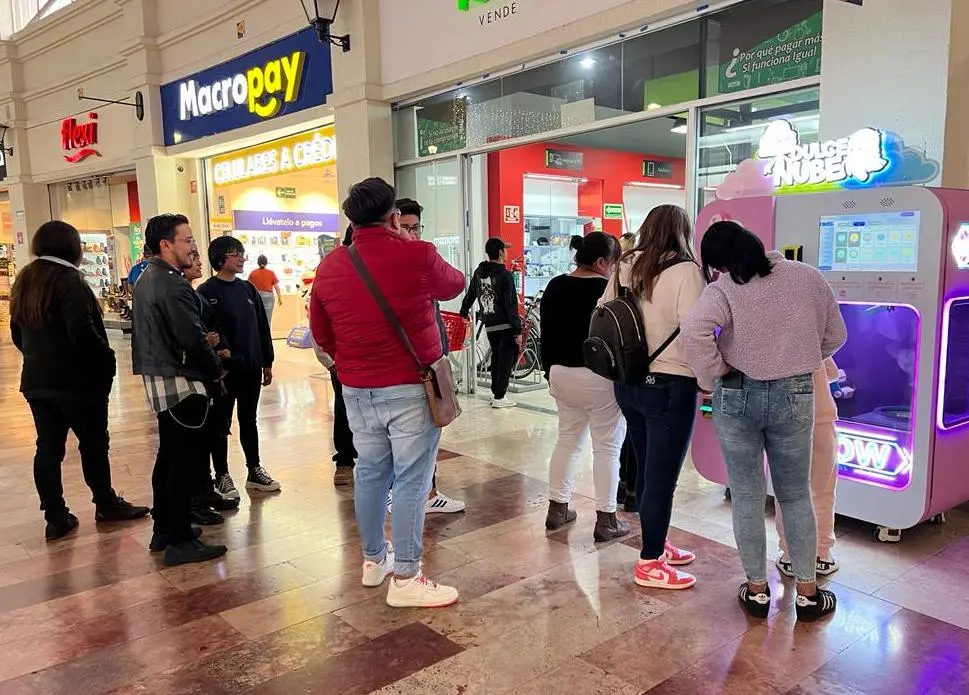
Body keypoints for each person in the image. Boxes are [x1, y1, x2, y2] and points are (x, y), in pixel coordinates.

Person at [310, 177, 465, 608]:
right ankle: (407, 576)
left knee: (371, 473)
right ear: (393, 215)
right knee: (413, 481)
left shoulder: (331, 265)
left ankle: (374, 560)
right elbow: (455, 284)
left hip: (357, 389)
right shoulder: (415, 253)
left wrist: (357, 362)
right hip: (411, 388)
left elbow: (322, 334)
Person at [681, 220, 847, 622]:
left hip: (737, 394)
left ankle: (756, 590)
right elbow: (836, 335)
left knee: (748, 495)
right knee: (795, 495)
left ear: (720, 263)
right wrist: (801, 358)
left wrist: (714, 373)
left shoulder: (724, 287)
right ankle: (807, 592)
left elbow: (693, 329)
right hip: (795, 393)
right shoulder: (807, 278)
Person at [10, 221, 150, 541]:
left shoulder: (26, 279)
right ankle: (105, 502)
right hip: (77, 382)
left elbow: (17, 333)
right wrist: (107, 361)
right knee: (93, 444)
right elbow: (83, 332)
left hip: (37, 381)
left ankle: (55, 515)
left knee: (48, 448)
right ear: (72, 246)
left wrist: (38, 358)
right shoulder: (70, 280)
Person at [602, 205, 705, 591]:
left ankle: (656, 542)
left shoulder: (625, 266)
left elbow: (603, 311)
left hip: (627, 383)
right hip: (671, 385)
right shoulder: (685, 272)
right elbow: (696, 332)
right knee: (662, 478)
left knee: (647, 467)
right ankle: (649, 562)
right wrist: (709, 377)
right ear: (683, 232)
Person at [131, 213, 227, 566]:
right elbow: (191, 337)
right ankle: (180, 540)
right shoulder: (171, 283)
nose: (193, 246)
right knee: (183, 462)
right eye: (187, 240)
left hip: (162, 377)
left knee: (170, 456)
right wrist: (215, 370)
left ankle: (166, 528)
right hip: (180, 381)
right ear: (166, 245)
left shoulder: (148, 276)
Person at [540, 233, 628, 542]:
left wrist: (548, 372)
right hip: (598, 378)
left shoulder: (554, 285)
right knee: (607, 446)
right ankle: (606, 520)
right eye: (615, 262)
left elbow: (546, 334)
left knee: (567, 441)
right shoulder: (609, 290)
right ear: (602, 262)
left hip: (561, 374)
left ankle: (557, 509)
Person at [397, 197, 466, 514]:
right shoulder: (389, 263)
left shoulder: (420, 258)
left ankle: (429, 491)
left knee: (431, 433)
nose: (413, 234)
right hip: (400, 371)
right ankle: (401, 496)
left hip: (430, 365)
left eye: (417, 228)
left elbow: (452, 285)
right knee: (401, 442)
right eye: (406, 227)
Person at [199, 236, 280, 498]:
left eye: (242, 253)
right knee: (220, 423)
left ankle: (254, 469)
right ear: (220, 258)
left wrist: (267, 361)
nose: (241, 258)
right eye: (235, 254)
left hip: (251, 367)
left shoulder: (248, 290)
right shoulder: (206, 292)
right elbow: (203, 331)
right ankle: (221, 474)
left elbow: (261, 328)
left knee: (249, 419)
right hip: (223, 371)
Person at [183, 251, 240, 524]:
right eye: (191, 255)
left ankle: (205, 491)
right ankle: (195, 498)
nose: (197, 262)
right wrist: (208, 345)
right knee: (192, 442)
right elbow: (186, 337)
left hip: (211, 371)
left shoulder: (194, 294)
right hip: (194, 376)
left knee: (211, 430)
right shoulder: (179, 293)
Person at [776, 357, 841, 578]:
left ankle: (789, 554)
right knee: (822, 489)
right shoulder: (815, 335)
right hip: (822, 417)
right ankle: (821, 554)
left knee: (788, 492)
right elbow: (832, 373)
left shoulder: (771, 339)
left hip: (786, 421)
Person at [460, 237, 521, 409]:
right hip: (506, 325)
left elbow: (471, 294)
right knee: (506, 360)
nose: (507, 252)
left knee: (497, 358)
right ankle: (500, 396)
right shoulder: (505, 275)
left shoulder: (480, 272)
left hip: (491, 325)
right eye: (505, 250)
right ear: (501, 252)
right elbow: (511, 305)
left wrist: (463, 312)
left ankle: (497, 394)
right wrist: (517, 329)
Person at [617, 231, 638, 513]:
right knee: (634, 435)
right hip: (641, 364)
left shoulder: (617, 278)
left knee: (626, 432)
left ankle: (624, 485)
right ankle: (632, 490)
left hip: (621, 364)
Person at [248, 255, 282, 325]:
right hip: (268, 296)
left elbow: (249, 286)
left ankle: (258, 335)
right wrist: (279, 297)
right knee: (268, 317)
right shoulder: (271, 273)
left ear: (258, 262)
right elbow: (276, 287)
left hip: (257, 295)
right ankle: (267, 334)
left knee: (257, 317)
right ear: (266, 262)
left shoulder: (253, 273)